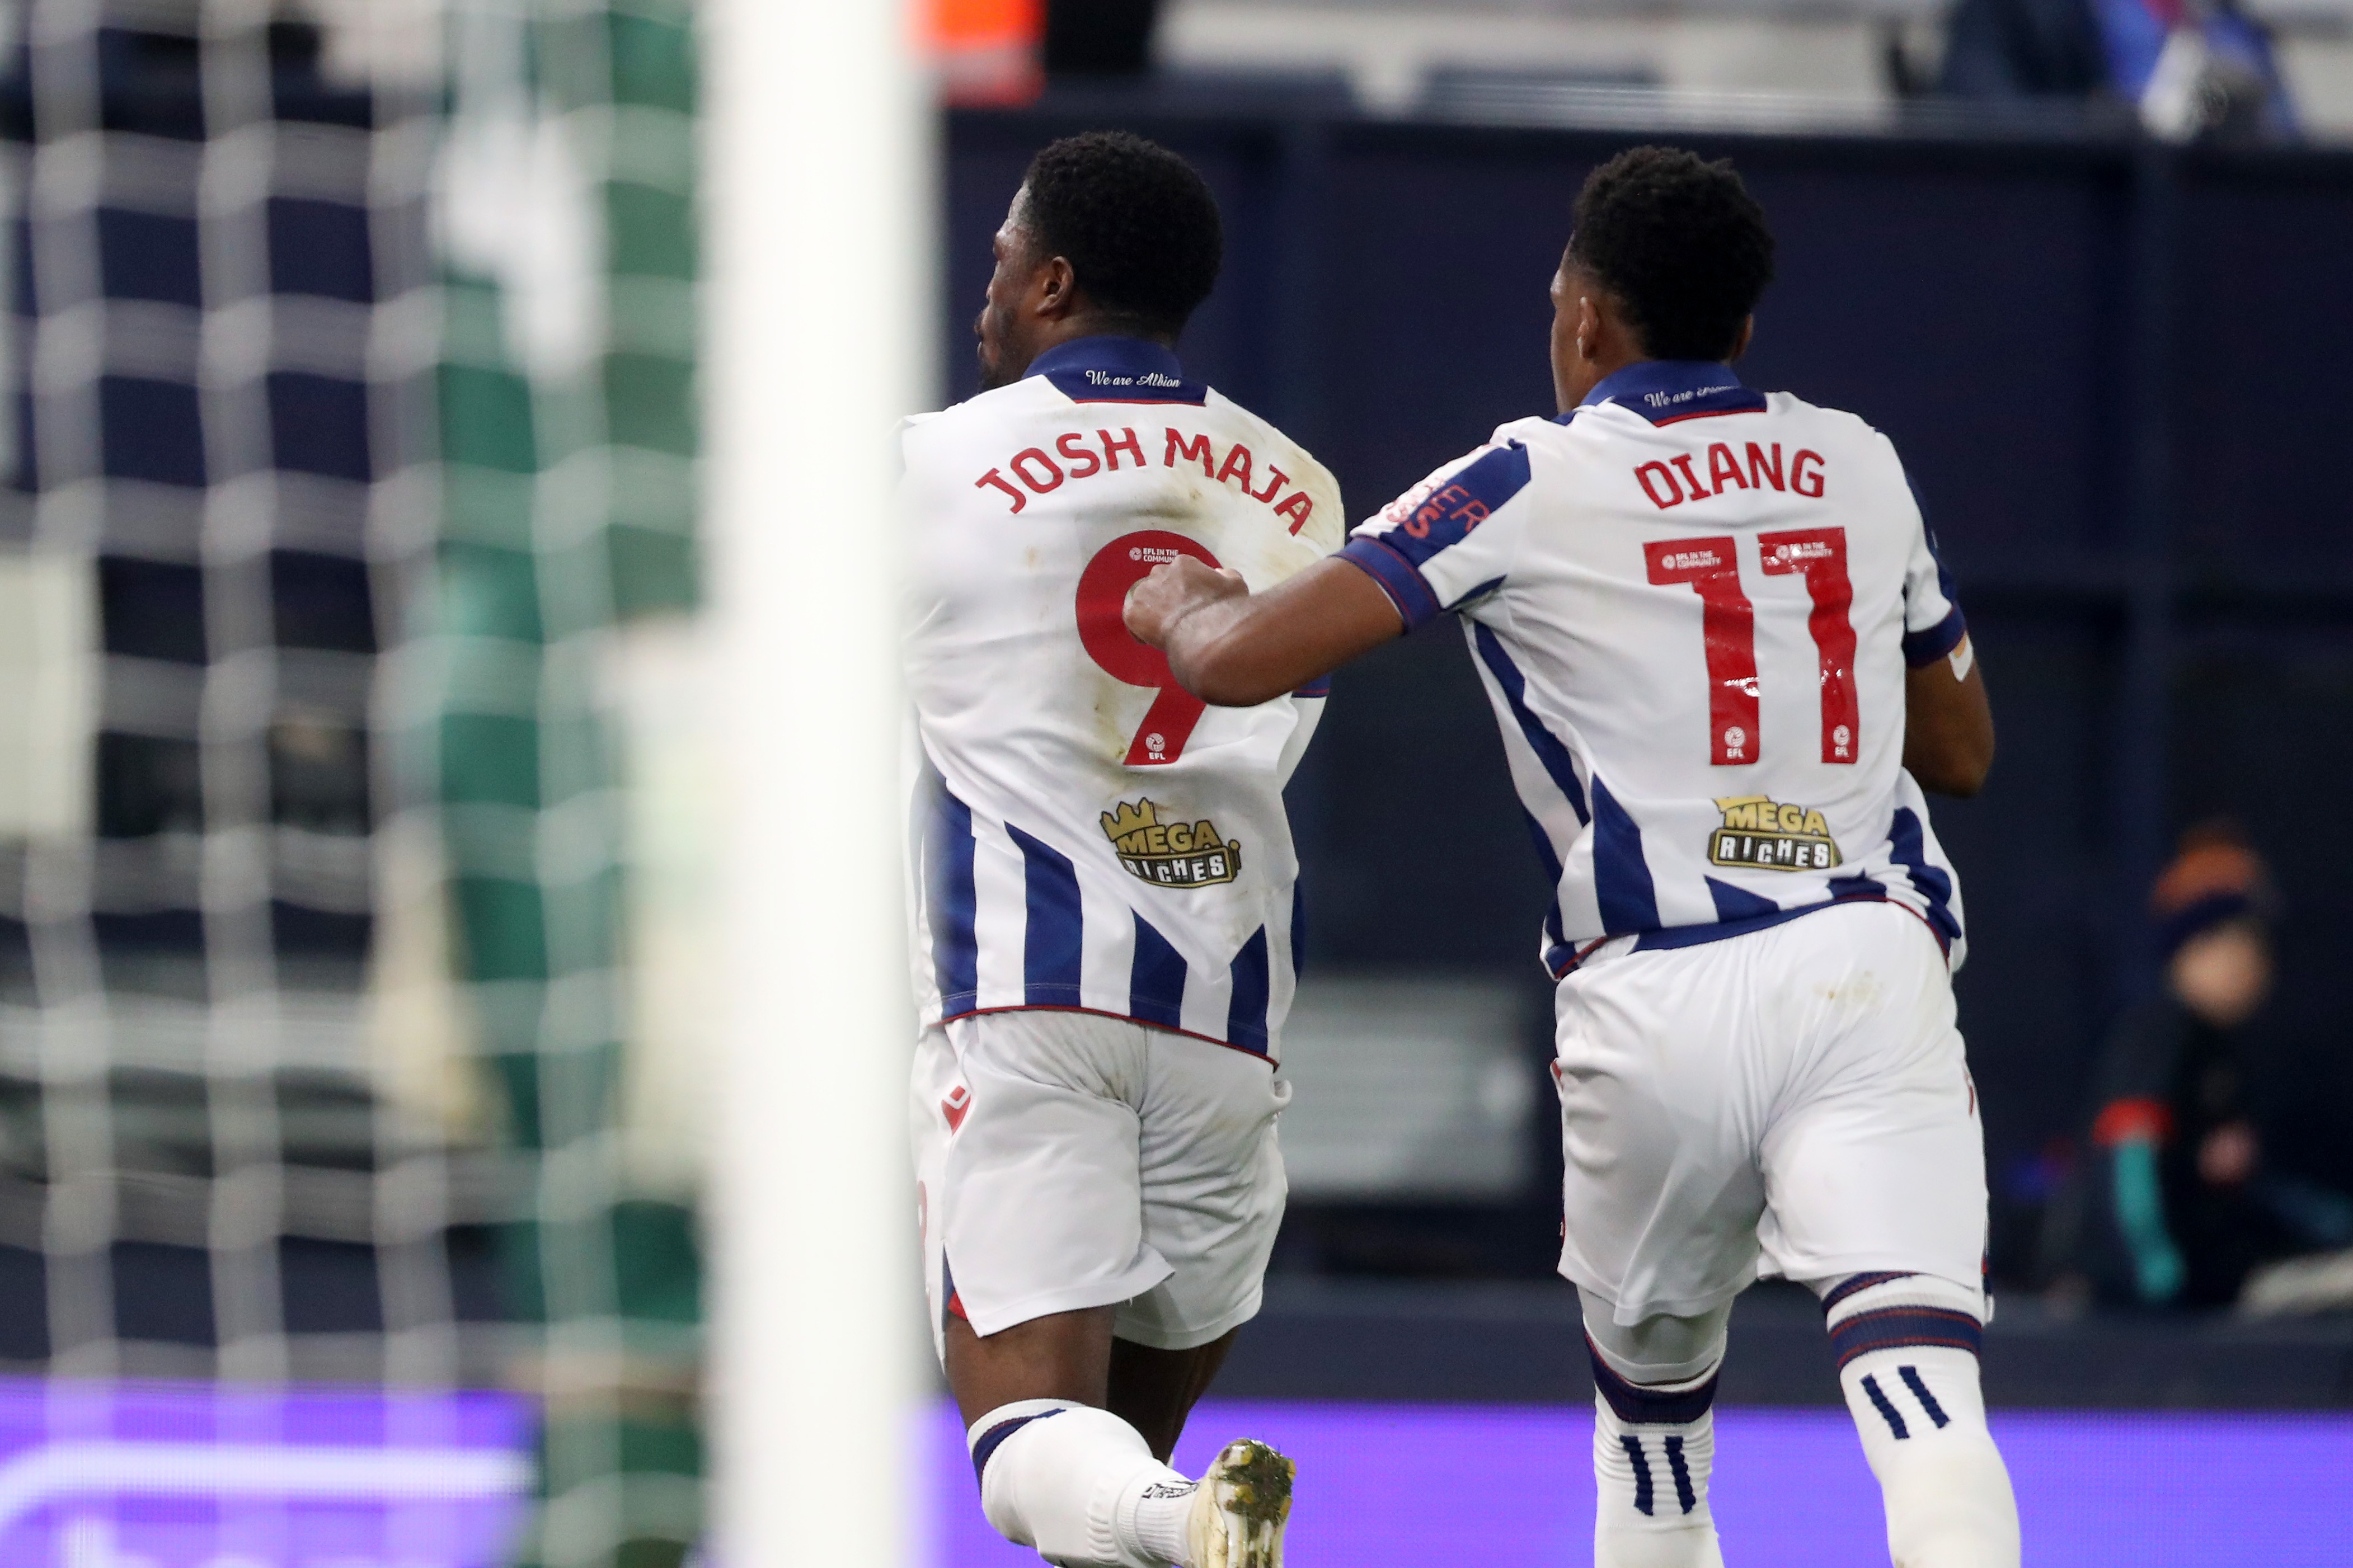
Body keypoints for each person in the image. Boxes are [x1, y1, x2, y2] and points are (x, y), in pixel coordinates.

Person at [1126, 145, 2021, 1567]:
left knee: (1656, 1439)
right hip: (1862, 970)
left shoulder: (1523, 480)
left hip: (1654, 992)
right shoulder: (1859, 461)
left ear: (1585, 319)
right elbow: (1960, 752)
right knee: (1921, 1398)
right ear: (1737, 327)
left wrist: (1176, 598)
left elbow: (1237, 662)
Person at [902, 130, 1344, 1568]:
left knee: (1029, 1445)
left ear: (1052, 279)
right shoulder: (1298, 492)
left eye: (1000, 258)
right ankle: (1175, 1512)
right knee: (1114, 1491)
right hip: (1225, 1020)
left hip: (1030, 999)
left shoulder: (930, 464)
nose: (986, 286)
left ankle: (1181, 1509)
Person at [2080, 825, 2353, 1307]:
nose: (2254, 965)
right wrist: (2157, 1274)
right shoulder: (2158, 1036)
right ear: (2194, 949)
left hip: (2227, 1279)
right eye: (2239, 944)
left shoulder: (2221, 1052)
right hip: (2170, 1296)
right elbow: (2129, 1160)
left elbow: (2249, 1186)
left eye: (2260, 948)